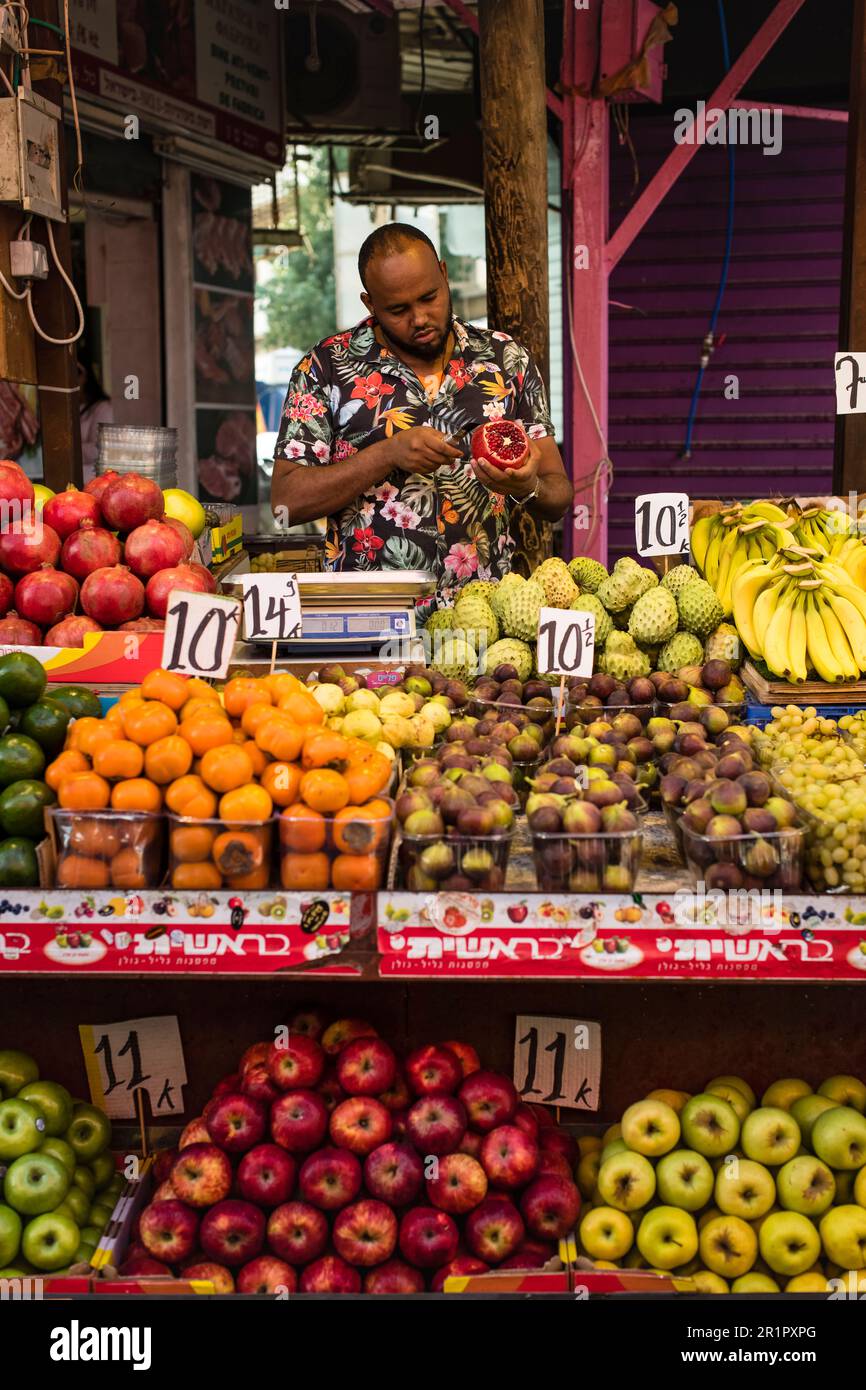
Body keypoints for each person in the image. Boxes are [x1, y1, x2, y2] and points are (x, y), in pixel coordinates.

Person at [271, 223, 573, 603]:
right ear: (370, 304)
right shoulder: (324, 369)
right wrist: (387, 454)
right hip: (369, 622)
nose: (419, 319)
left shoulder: (504, 359)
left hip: (482, 620)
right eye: (398, 309)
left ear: (444, 275)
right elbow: (285, 505)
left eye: (429, 297)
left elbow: (558, 497)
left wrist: (527, 486)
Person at [77, 355, 114, 481]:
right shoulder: (70, 407)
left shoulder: (102, 408)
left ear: (86, 377)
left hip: (90, 479)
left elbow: (99, 449)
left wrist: (68, 449)